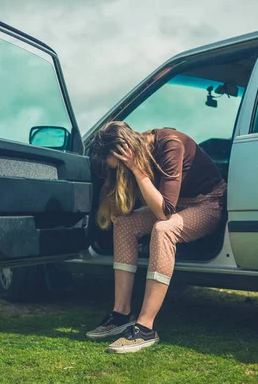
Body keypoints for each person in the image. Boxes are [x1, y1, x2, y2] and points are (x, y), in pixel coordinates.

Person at [85, 121, 227, 353]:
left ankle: (145, 327)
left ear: (127, 149)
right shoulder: (136, 151)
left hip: (207, 203)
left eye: (119, 166)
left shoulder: (171, 145)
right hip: (175, 205)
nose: (119, 172)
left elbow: (164, 211)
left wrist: (136, 170)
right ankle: (121, 314)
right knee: (124, 224)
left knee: (164, 229)